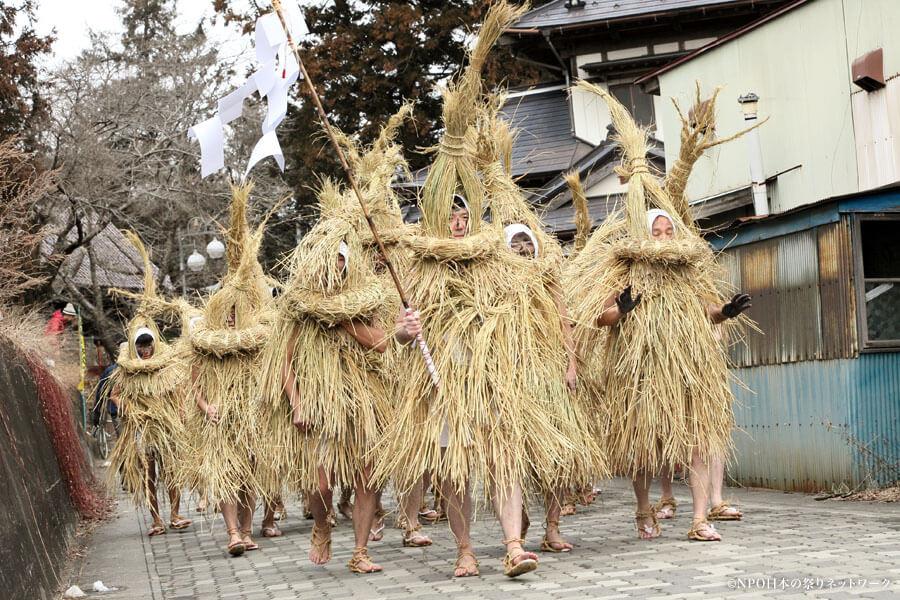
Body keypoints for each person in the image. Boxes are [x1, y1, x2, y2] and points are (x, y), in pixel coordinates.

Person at [595, 209, 751, 541]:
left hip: (688, 365)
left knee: (698, 439)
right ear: (644, 235)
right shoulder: (627, 270)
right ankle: (643, 508)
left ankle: (698, 519)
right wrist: (621, 310)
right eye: (657, 232)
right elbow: (601, 318)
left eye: (669, 232)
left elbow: (706, 310)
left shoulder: (688, 271)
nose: (664, 238)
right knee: (642, 445)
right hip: (642, 368)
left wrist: (724, 311)